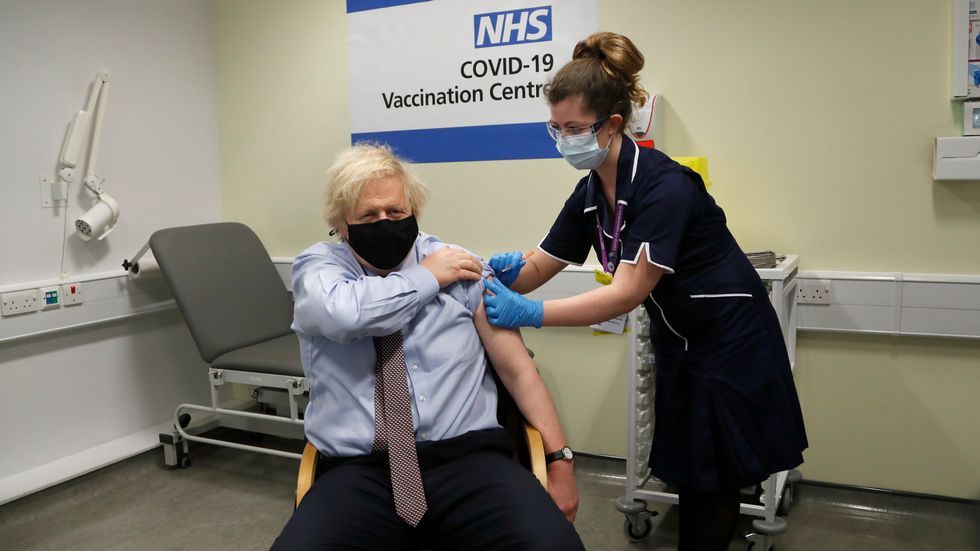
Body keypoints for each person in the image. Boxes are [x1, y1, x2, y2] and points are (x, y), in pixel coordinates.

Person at [482, 32, 808, 551]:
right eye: (556, 128)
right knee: (693, 473)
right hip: (681, 344)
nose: (564, 140)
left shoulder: (665, 186)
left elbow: (626, 293)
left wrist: (529, 312)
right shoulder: (592, 192)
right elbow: (541, 262)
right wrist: (493, 276)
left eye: (575, 129)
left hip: (730, 343)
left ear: (612, 124)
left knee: (716, 479)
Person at [271, 143, 584, 551]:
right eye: (368, 215)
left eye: (396, 211)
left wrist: (560, 461)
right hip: (358, 471)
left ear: (414, 212)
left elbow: (518, 371)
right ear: (342, 225)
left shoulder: (458, 265)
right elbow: (347, 314)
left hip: (470, 462)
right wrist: (428, 277)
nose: (385, 222)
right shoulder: (319, 270)